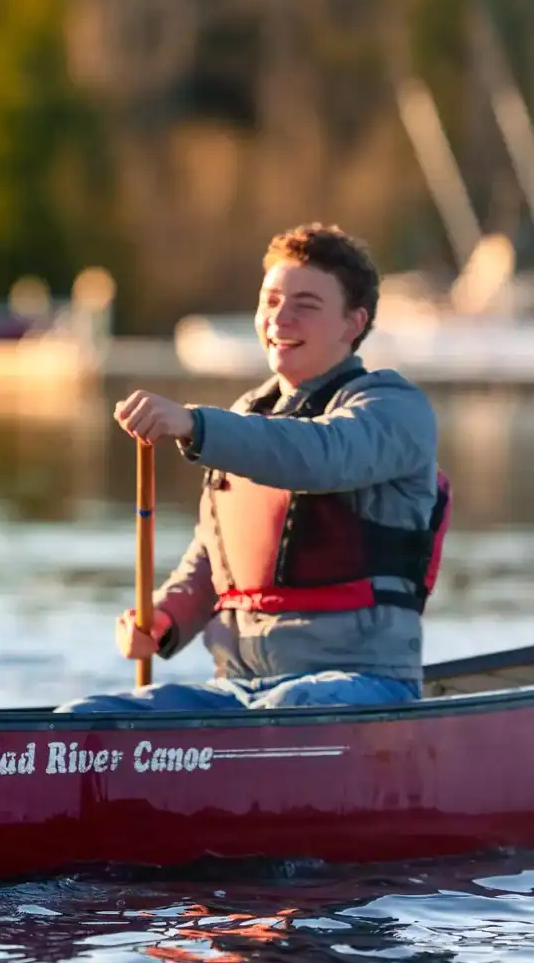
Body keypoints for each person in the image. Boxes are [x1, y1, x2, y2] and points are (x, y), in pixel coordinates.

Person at [58, 223, 446, 714]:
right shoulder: (248, 418)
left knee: (287, 710)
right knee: (84, 719)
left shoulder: (394, 408)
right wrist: (165, 617)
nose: (280, 318)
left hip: (362, 683)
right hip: (238, 686)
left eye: (305, 305)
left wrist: (196, 424)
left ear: (353, 322)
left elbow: (321, 455)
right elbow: (213, 561)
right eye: (271, 301)